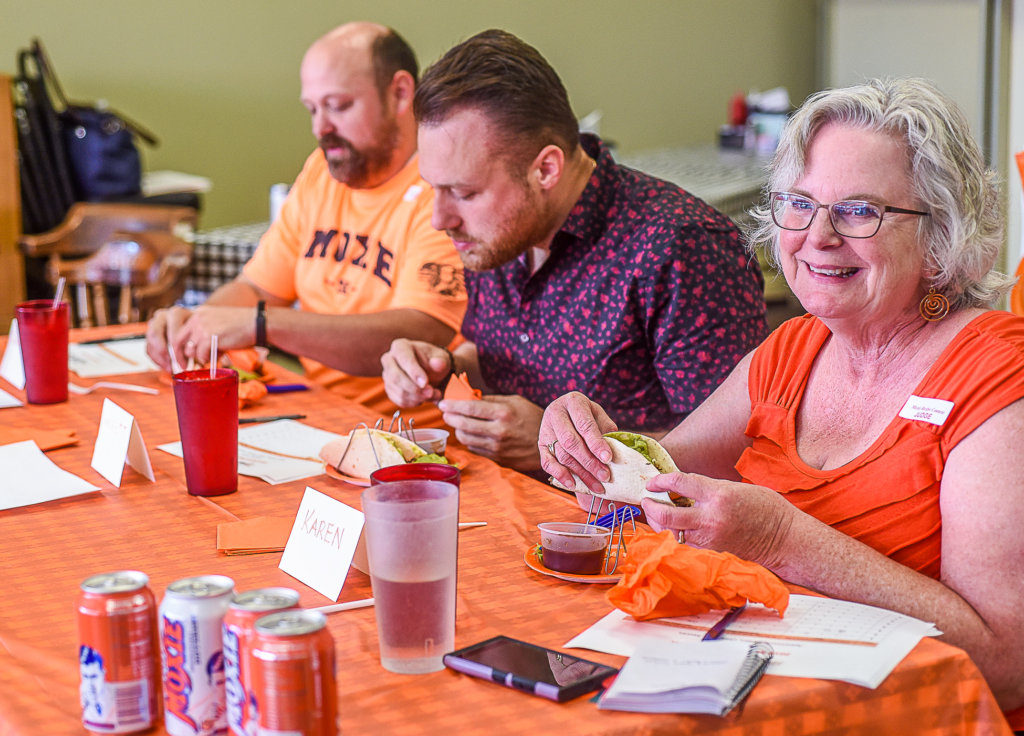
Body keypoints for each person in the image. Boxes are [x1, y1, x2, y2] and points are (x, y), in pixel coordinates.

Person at [539, 78, 1024, 724]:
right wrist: (592, 446)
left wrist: (781, 538)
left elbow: (1007, 665)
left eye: (859, 211)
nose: (816, 235)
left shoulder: (996, 375)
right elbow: (655, 478)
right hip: (753, 698)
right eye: (800, 203)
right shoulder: (791, 350)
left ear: (940, 240)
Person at [380, 29, 767, 475]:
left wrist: (560, 448)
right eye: (434, 188)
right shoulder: (498, 233)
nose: (439, 218)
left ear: (546, 169)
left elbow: (737, 455)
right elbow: (511, 355)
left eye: (464, 192)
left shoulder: (682, 247)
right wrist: (445, 365)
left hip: (626, 518)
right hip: (505, 498)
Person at [145, 22, 466, 420]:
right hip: (317, 407)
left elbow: (422, 331)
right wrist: (195, 326)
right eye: (313, 109)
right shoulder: (321, 170)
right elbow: (257, 289)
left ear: (400, 93)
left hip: (411, 429)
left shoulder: (441, 187)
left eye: (338, 106)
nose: (320, 128)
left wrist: (262, 325)